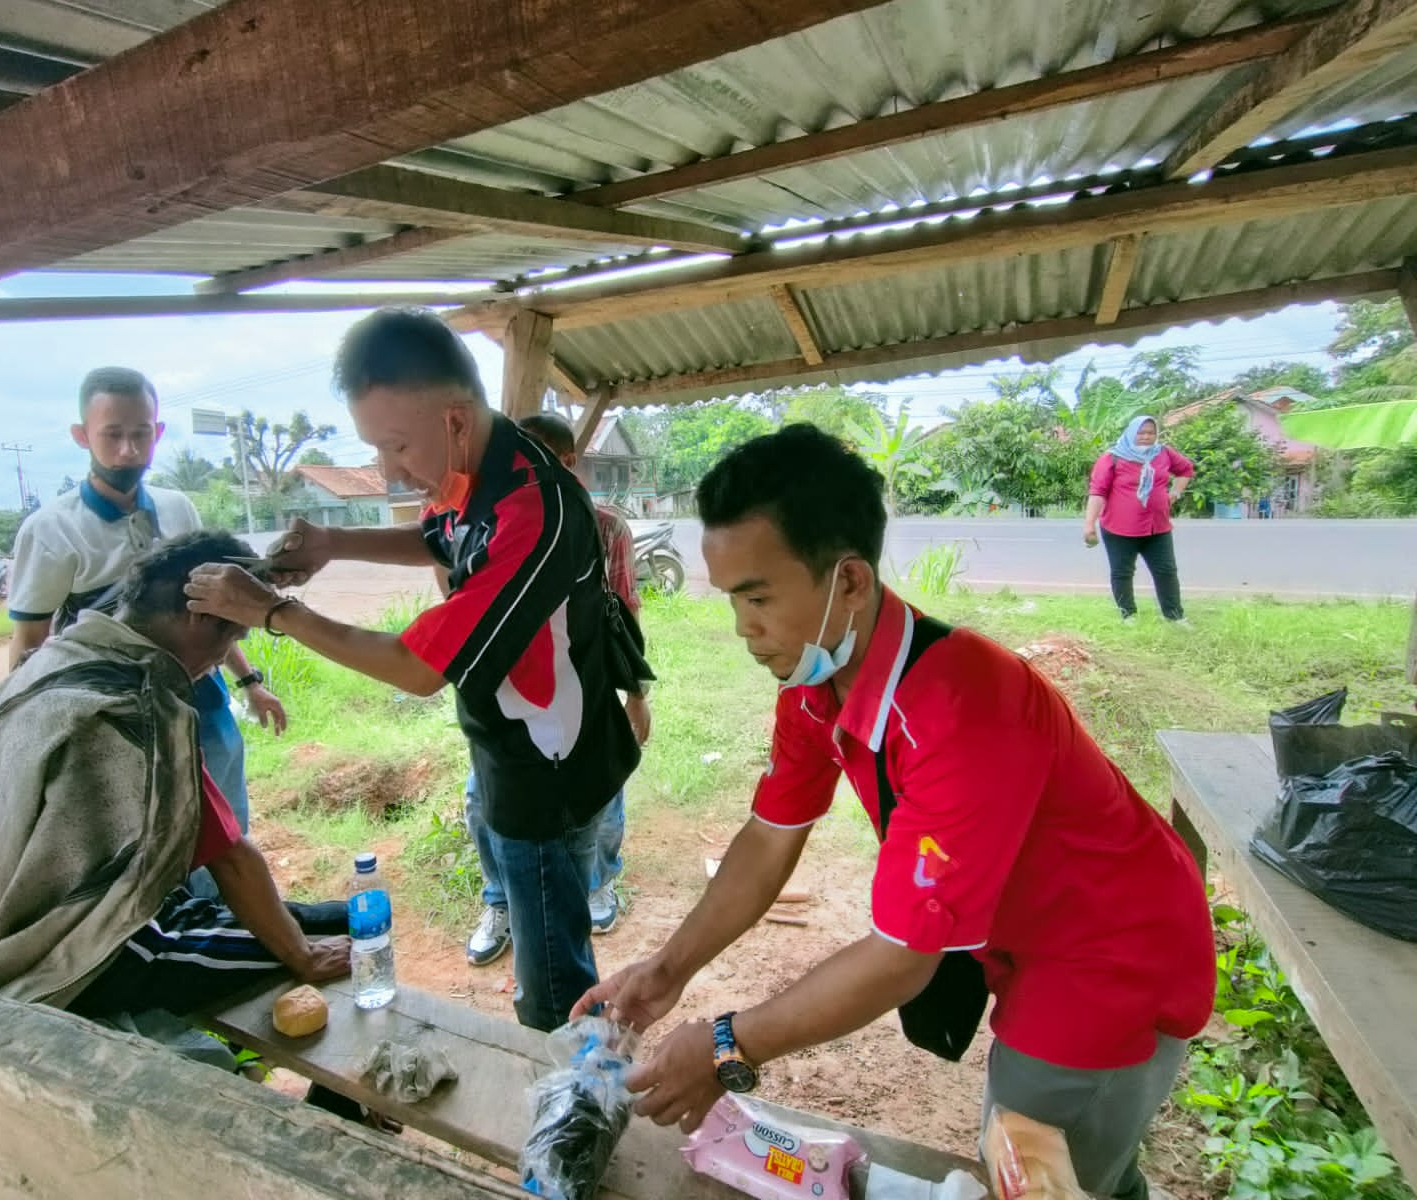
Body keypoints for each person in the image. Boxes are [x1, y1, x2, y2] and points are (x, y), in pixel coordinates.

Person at [577, 425, 1215, 1200]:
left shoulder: (966, 709)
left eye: (758, 596)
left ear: (848, 581)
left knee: (1036, 1168)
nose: (743, 628)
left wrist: (722, 1048)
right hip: (1025, 935)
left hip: (1109, 952)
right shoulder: (817, 684)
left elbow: (901, 956)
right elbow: (769, 839)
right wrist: (668, 970)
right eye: (731, 600)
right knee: (1077, 1165)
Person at [183, 307, 639, 1033]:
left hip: (547, 773)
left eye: (397, 446)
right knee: (541, 933)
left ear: (457, 419)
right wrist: (334, 540)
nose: (392, 471)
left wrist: (276, 613)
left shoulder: (533, 510)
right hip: (508, 750)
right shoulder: (479, 463)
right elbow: (439, 536)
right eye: (376, 447)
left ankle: (573, 1101)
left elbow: (416, 668)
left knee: (553, 982)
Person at [0, 532, 350, 1018]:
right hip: (75, 954)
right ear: (201, 616)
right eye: (232, 637)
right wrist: (301, 956)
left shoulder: (53, 666)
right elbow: (232, 861)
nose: (223, 658)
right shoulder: (138, 711)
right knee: (352, 937)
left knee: (323, 920)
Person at [5, 366, 284, 854]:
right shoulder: (51, 531)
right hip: (114, 708)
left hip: (201, 693)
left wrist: (249, 683)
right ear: (81, 435)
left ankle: (228, 913)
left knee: (224, 818)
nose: (128, 450)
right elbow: (30, 647)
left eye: (140, 434)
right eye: (112, 435)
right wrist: (27, 739)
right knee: (148, 828)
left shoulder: (178, 510)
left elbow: (212, 611)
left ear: (157, 432)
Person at [460, 412, 652, 968]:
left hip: (583, 688)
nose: (520, 475)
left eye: (535, 461)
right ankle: (499, 901)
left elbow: (623, 610)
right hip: (509, 702)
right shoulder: (487, 525)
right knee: (482, 801)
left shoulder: (605, 527)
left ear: (567, 464)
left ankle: (597, 884)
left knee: (601, 794)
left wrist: (635, 690)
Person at [1083, 415, 1195, 622]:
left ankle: (1175, 617)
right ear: (1131, 433)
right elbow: (1098, 492)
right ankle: (1128, 615)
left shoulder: (1163, 453)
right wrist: (1089, 525)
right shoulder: (1112, 458)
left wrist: (1175, 493)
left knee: (1166, 571)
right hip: (1120, 528)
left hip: (1157, 528)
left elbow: (1185, 470)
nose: (1146, 437)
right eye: (1141, 433)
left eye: (1151, 433)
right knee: (1122, 573)